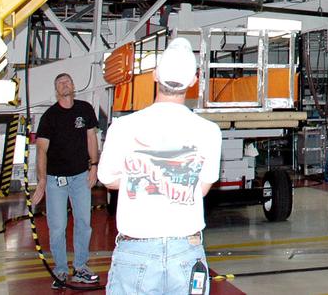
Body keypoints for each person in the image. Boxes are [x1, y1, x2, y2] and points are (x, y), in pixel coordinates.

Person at [99, 37, 221, 295]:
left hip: (136, 251)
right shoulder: (209, 131)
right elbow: (201, 189)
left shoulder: (123, 127)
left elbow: (108, 179)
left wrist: (142, 177)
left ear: (155, 75)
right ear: (193, 81)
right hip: (186, 254)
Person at [30, 72, 100, 290]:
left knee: (84, 223)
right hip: (55, 180)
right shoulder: (49, 117)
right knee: (58, 227)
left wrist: (94, 166)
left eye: (67, 81)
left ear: (73, 86)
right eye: (60, 83)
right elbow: (41, 150)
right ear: (56, 90)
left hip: (80, 177)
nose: (64, 84)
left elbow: (91, 137)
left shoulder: (85, 109)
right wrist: (42, 181)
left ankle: (80, 268)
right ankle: (60, 270)